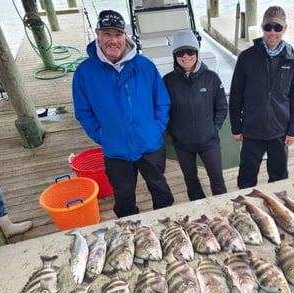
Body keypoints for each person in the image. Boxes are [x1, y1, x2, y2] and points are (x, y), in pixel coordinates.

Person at [72, 10, 174, 218]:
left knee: (160, 187)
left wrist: (156, 129)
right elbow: (83, 112)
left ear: (125, 36)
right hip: (115, 149)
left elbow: (162, 101)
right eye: (107, 34)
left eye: (118, 35)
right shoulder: (84, 72)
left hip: (149, 143)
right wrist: (102, 135)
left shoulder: (145, 65)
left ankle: (168, 222)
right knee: (124, 195)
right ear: (97, 33)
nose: (113, 40)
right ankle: (128, 231)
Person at [229, 6, 294, 189]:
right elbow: (236, 95)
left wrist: (292, 129)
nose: (272, 32)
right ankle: (244, 209)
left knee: (279, 177)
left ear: (285, 28)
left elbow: (293, 96)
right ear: (262, 27)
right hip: (252, 129)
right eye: (268, 27)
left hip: (279, 130)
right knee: (246, 176)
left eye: (278, 27)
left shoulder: (292, 58)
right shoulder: (246, 57)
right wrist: (236, 127)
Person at [163, 30, 228, 201]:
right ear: (175, 55)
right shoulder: (168, 81)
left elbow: (222, 107)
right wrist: (173, 130)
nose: (185, 56)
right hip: (182, 144)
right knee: (190, 180)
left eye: (190, 52)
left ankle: (223, 207)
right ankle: (199, 208)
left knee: (217, 179)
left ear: (197, 53)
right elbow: (163, 109)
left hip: (209, 141)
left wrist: (214, 128)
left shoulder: (212, 78)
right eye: (180, 53)